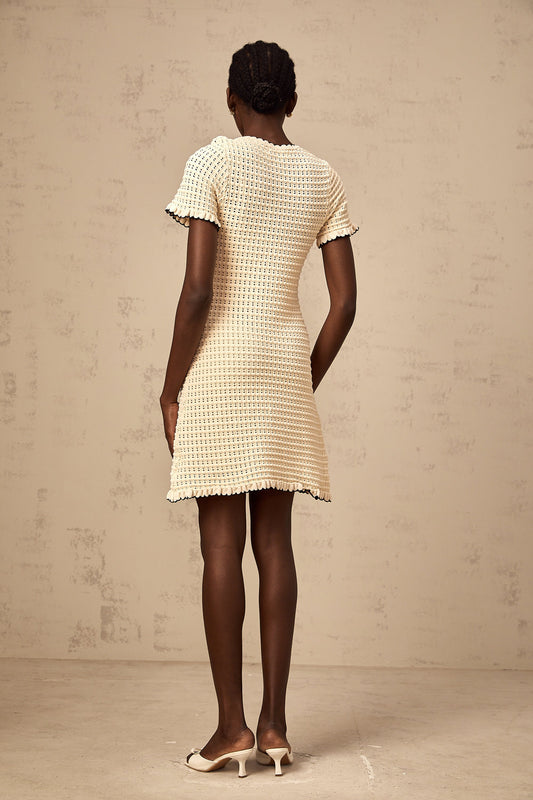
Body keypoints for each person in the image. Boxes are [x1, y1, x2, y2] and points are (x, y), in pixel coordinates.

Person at [159, 40, 358, 778]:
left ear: (232, 99)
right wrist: (302, 379)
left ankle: (230, 728)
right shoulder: (321, 176)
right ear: (292, 102)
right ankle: (275, 725)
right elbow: (344, 304)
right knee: (275, 545)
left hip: (218, 365)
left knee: (220, 547)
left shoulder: (211, 163)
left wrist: (170, 389)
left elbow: (198, 292)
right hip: (282, 365)